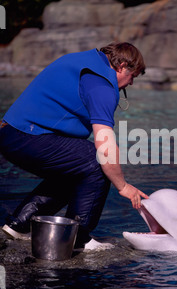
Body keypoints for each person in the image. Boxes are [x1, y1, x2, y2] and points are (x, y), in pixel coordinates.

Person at [0, 42, 149, 251]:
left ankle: (20, 224)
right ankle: (78, 240)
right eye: (133, 75)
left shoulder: (84, 61)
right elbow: (105, 147)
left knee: (77, 165)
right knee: (96, 161)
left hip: (11, 132)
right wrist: (123, 186)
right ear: (122, 66)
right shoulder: (102, 84)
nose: (131, 83)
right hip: (26, 135)